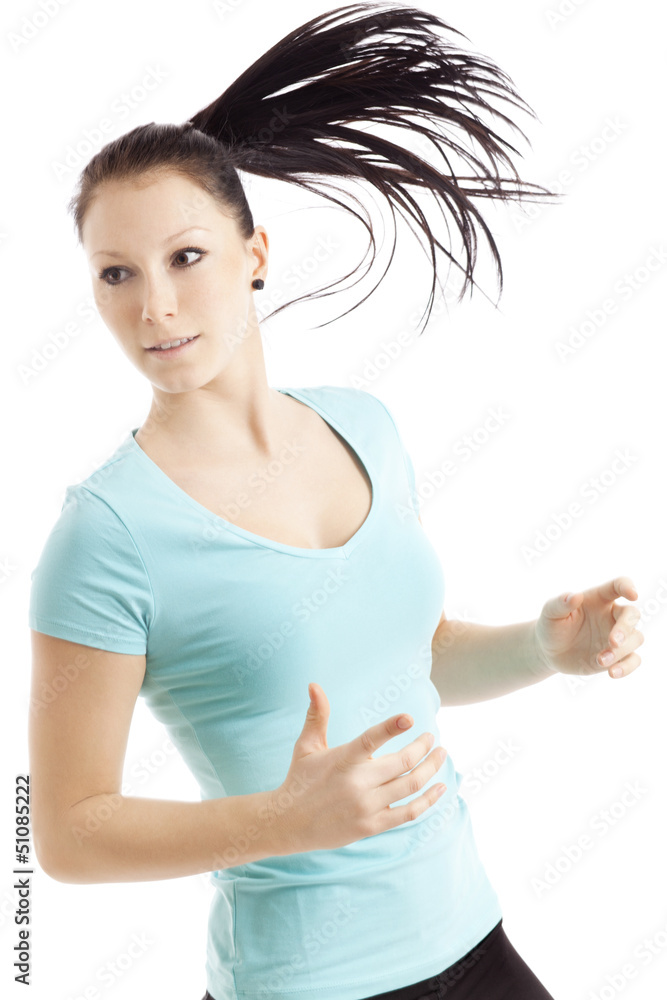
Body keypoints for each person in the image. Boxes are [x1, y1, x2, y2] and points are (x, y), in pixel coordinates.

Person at [27, 4, 644, 999]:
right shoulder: (106, 538)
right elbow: (63, 832)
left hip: (475, 942)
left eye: (186, 257)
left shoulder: (364, 425)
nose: (155, 306)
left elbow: (409, 654)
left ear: (256, 255)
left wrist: (542, 647)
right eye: (116, 275)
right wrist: (286, 821)